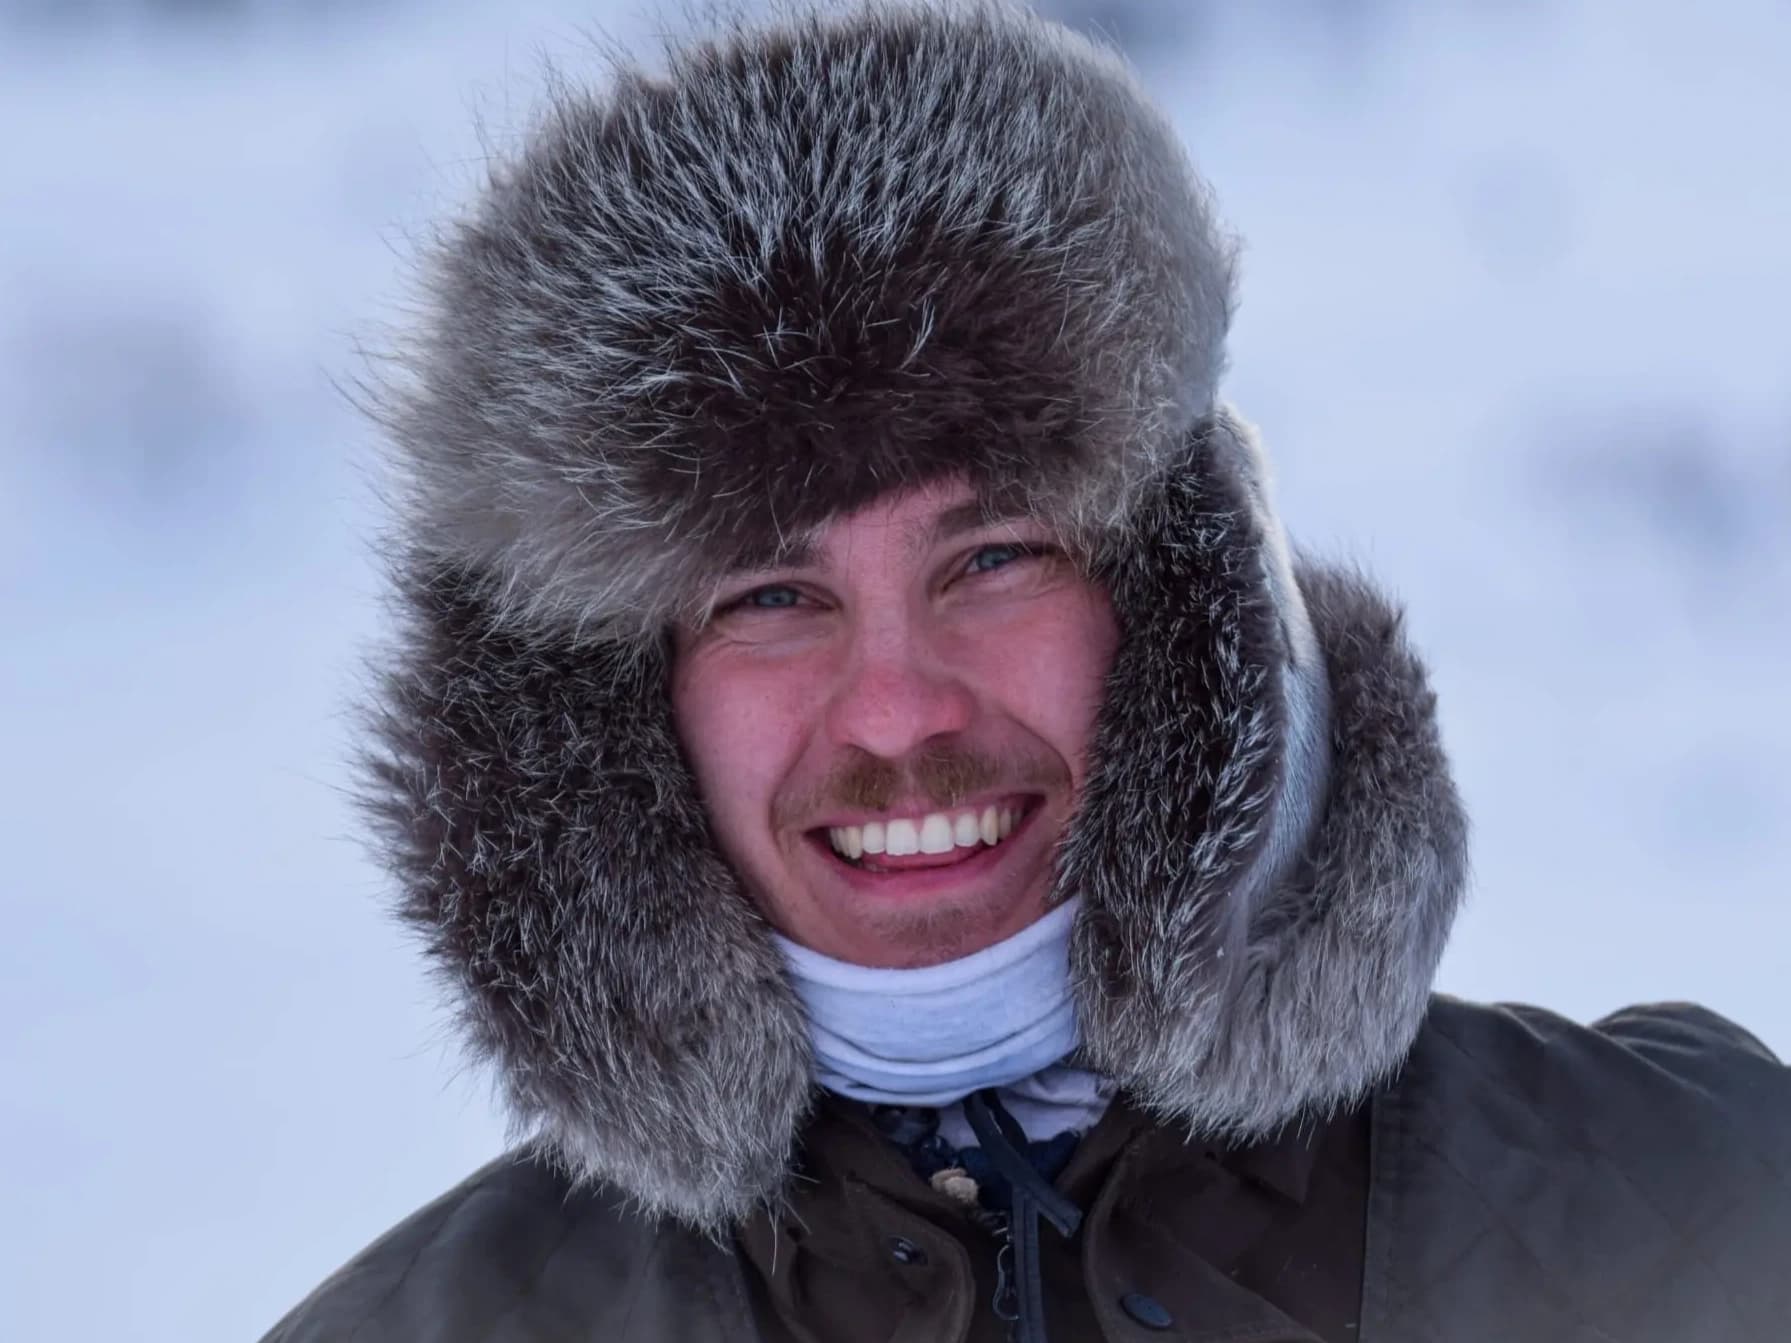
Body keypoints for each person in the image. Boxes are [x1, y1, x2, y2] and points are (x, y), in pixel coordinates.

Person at [263, 4, 1790, 1340]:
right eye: (772, 596)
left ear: (1184, 612)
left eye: (993, 557)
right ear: (607, 723)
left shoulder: (1700, 1213)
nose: (898, 707)